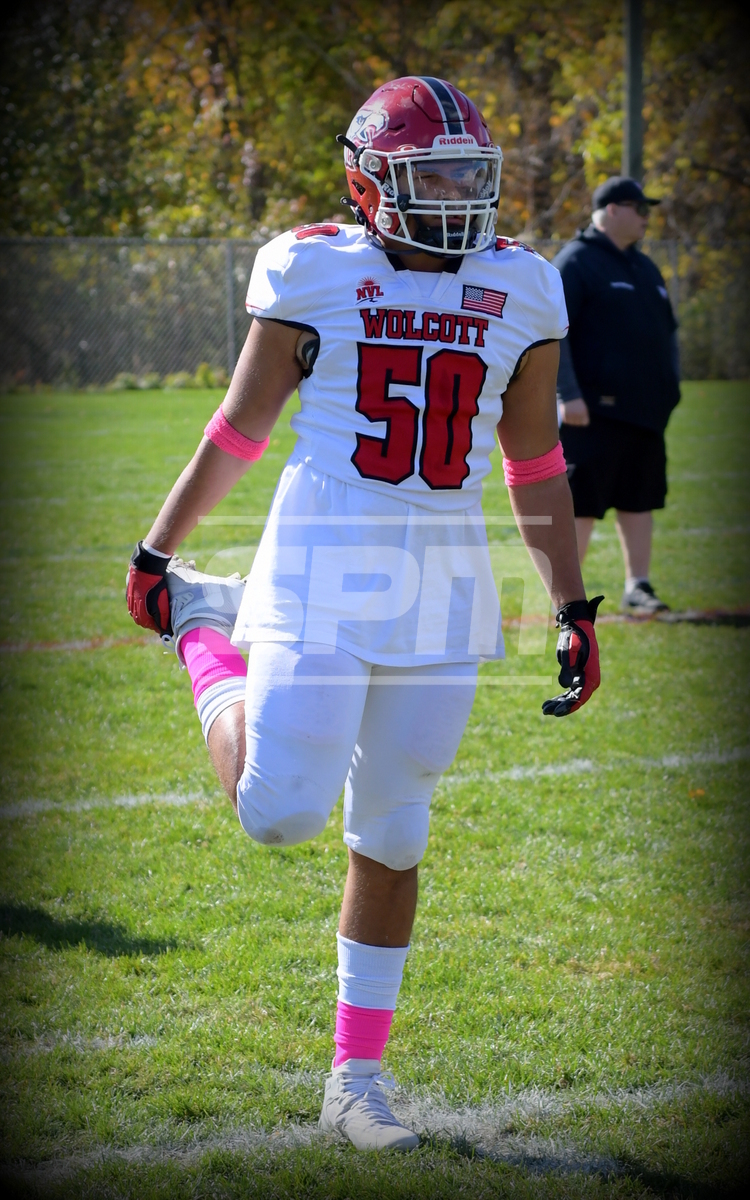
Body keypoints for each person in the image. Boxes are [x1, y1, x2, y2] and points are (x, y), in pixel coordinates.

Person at [126, 77, 601, 1151]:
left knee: (394, 827)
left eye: (468, 176)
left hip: (443, 573)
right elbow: (240, 427)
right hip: (324, 552)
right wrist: (159, 549)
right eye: (433, 176)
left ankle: (357, 1080)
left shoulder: (523, 286)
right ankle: (206, 630)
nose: (455, 196)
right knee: (279, 810)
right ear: (368, 184)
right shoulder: (316, 269)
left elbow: (533, 462)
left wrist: (573, 606)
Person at [553, 176, 681, 614]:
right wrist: (566, 393)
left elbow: (668, 332)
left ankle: (638, 586)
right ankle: (566, 598)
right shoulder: (576, 261)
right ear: (612, 210)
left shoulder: (644, 266)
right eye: (639, 208)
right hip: (590, 412)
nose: (646, 218)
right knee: (581, 503)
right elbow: (554, 333)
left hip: (643, 411)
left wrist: (671, 388)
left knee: (639, 499)